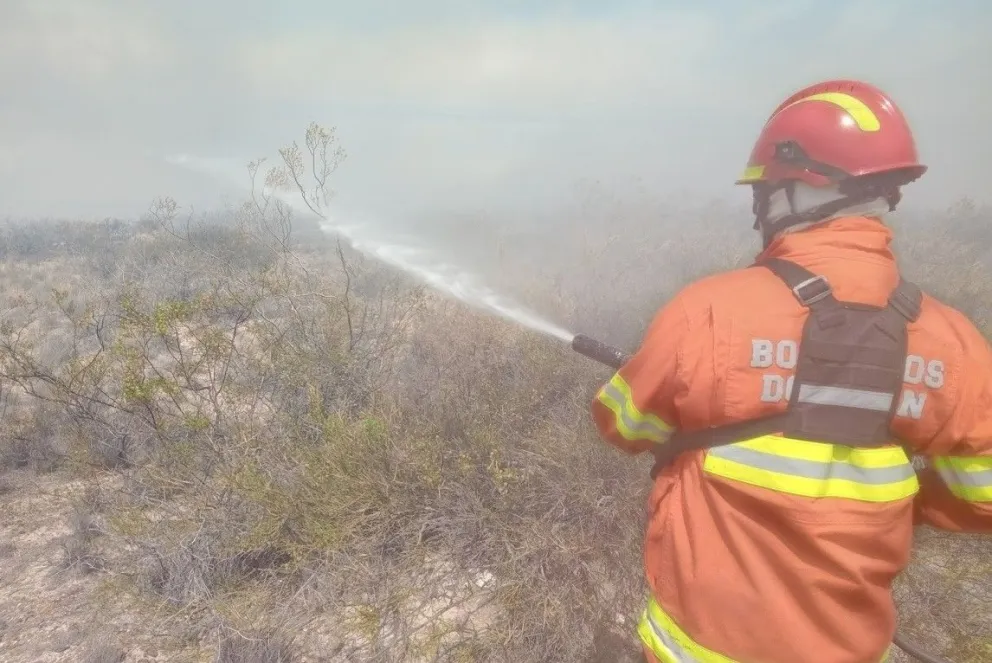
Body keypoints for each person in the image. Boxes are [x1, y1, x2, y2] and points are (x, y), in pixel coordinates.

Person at [590, 79, 992, 663]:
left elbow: (625, 425)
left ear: (803, 188)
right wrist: (903, 501)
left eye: (767, 191)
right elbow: (984, 497)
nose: (762, 208)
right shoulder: (955, 342)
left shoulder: (708, 310)